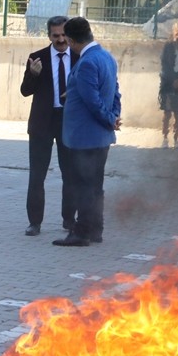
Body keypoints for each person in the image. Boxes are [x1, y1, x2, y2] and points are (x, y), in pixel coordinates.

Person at [53, 17, 120, 248]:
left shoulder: (87, 62)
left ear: (70, 40)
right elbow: (115, 93)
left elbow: (93, 101)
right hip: (100, 135)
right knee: (95, 184)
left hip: (85, 137)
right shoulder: (107, 57)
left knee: (83, 185)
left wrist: (110, 119)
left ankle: (81, 232)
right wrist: (113, 116)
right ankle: (95, 229)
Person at [18, 15, 75, 236]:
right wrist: (33, 75)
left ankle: (69, 220)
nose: (60, 40)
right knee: (37, 175)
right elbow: (24, 91)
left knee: (70, 174)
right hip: (42, 123)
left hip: (68, 122)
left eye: (63, 35)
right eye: (55, 36)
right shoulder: (37, 58)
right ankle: (34, 222)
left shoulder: (79, 57)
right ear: (49, 36)